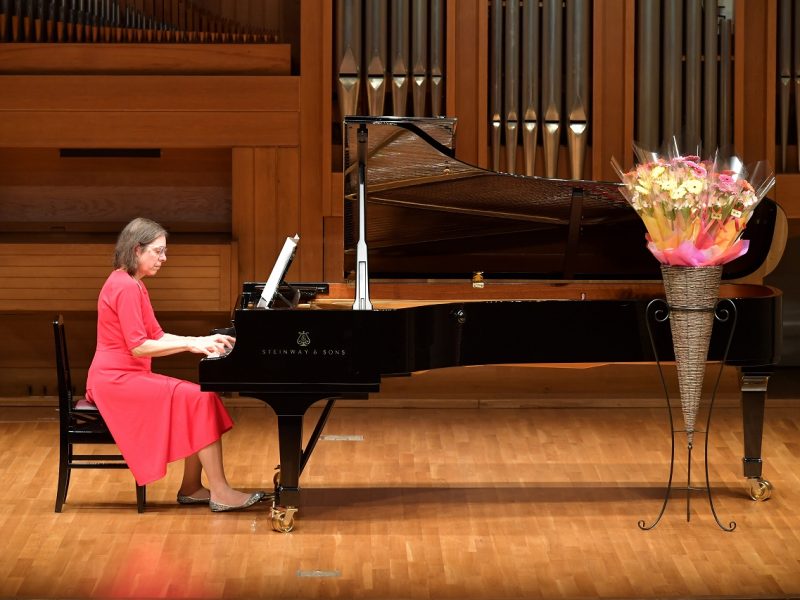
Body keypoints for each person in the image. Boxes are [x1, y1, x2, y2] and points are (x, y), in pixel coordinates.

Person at [86, 217, 265, 512]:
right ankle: (219, 491)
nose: (163, 258)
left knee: (199, 397)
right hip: (115, 382)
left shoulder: (133, 284)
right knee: (198, 398)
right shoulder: (126, 287)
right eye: (158, 251)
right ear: (136, 251)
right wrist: (191, 344)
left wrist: (199, 341)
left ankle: (193, 487)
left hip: (123, 376)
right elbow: (140, 347)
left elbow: (155, 335)